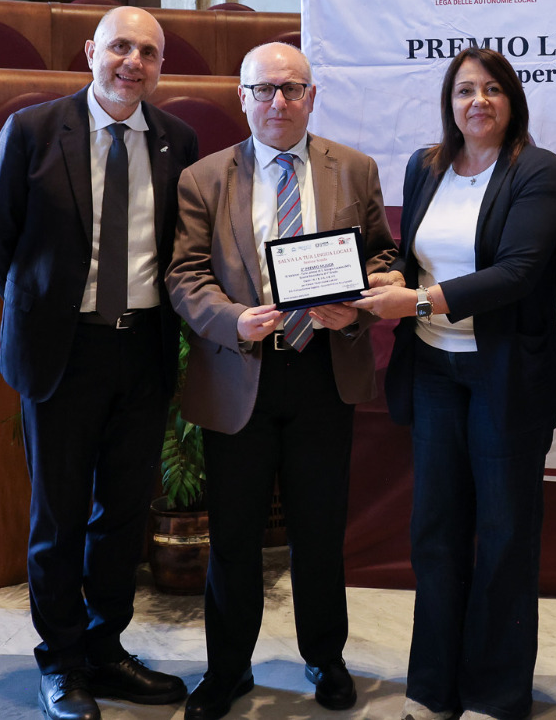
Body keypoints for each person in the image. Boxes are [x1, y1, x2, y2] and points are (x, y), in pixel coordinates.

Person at [0, 7, 199, 720]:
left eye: (148, 51)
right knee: (59, 514)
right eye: (120, 47)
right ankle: (61, 661)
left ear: (161, 65)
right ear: (90, 52)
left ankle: (106, 650)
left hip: (141, 348)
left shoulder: (177, 140)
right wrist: (48, 308)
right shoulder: (36, 131)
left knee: (123, 511)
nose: (133, 61)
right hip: (61, 351)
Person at [166, 42, 396, 720]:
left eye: (292, 89)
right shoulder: (204, 178)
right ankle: (227, 669)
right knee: (234, 536)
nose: (278, 102)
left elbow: (381, 251)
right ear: (242, 98)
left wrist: (357, 297)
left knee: (320, 530)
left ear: (312, 96)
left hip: (324, 372)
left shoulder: (353, 168)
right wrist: (233, 320)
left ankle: (326, 657)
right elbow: (185, 274)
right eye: (264, 90)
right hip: (240, 377)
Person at [356, 48, 556, 720]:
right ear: (449, 103)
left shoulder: (536, 170)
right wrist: (394, 277)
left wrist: (417, 301)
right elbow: (408, 249)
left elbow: (518, 272)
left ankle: (496, 695)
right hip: (435, 375)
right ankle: (432, 688)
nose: (478, 102)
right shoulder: (427, 165)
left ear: (512, 101)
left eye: (492, 90)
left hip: (502, 375)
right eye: (465, 91)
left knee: (505, 535)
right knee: (436, 533)